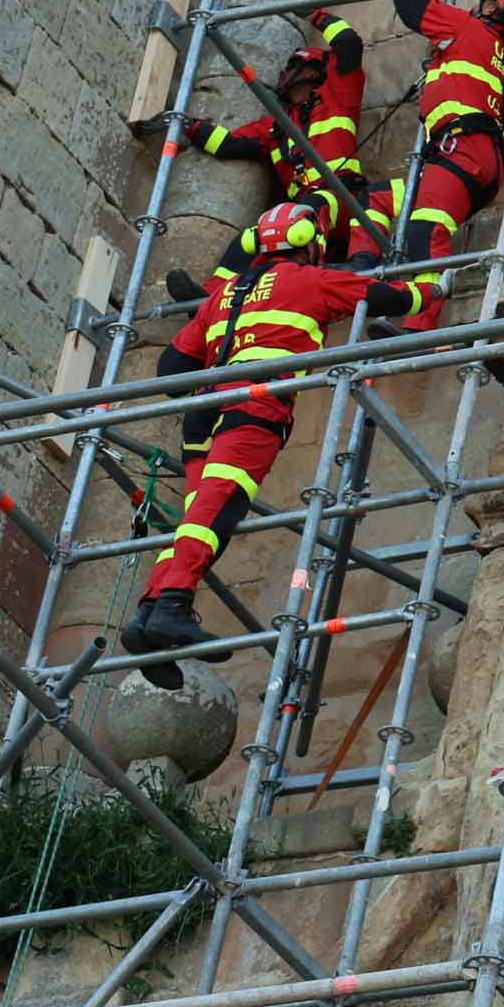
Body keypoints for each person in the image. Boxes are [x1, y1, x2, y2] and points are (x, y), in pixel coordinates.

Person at [124, 198, 375, 662]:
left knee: (197, 513)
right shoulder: (313, 280)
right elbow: (385, 295)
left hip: (205, 408)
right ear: (311, 242)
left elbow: (172, 368)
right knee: (220, 506)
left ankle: (148, 613)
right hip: (254, 403)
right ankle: (172, 607)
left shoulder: (227, 292)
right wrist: (433, 291)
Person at [375, 0, 504, 327]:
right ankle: (362, 268)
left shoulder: (468, 29)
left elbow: (406, 0)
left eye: (483, 0)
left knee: (424, 231)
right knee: (374, 200)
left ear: (492, 5)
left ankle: (417, 327)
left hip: (460, 150)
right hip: (478, 160)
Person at [140, 12, 367, 209]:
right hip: (308, 213)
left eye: (290, 67)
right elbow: (227, 144)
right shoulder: (276, 126)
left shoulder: (337, 97)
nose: (281, 74)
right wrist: (183, 123)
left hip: (345, 198)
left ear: (311, 73)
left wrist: (313, 14)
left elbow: (348, 43)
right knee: (249, 244)